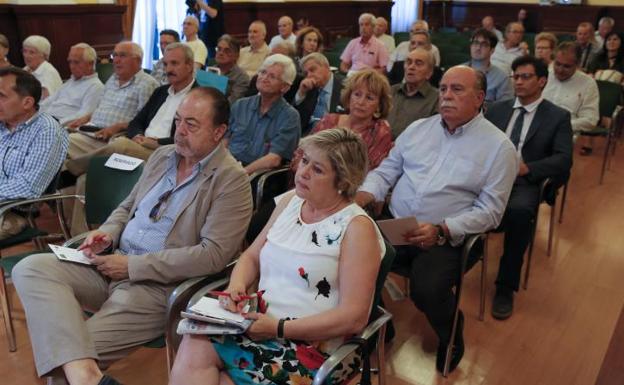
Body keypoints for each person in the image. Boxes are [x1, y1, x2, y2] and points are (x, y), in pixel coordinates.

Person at [13, 87, 253, 385]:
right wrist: (107, 233)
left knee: (66, 362)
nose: (179, 131)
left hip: (156, 287)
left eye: (191, 125)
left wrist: (131, 267)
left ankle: (81, 373)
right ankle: (86, 376)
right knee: (32, 268)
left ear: (219, 132)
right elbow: (128, 206)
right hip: (110, 264)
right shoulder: (164, 156)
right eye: (177, 120)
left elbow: (213, 255)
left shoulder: (232, 181)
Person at [168, 127, 385, 385]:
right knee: (195, 342)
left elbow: (354, 316)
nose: (302, 172)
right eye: (304, 160)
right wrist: (236, 287)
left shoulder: (357, 228)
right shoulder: (291, 201)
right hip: (257, 325)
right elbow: (250, 257)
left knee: (217, 376)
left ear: (343, 182)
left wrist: (278, 328)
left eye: (317, 169)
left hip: (311, 348)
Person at [355, 66, 518, 374]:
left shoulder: (499, 148)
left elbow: (491, 211)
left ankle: (452, 333)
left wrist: (443, 229)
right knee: (353, 258)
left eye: (457, 89)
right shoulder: (419, 129)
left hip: (448, 236)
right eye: (443, 89)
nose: (446, 96)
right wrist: (365, 196)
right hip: (398, 221)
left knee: (426, 288)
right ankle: (380, 324)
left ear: (480, 98)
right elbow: (387, 171)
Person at [485, 55, 573, 320]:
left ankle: (505, 285)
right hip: (489, 176)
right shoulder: (497, 109)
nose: (518, 82)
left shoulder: (557, 116)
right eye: (515, 76)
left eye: (525, 77)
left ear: (542, 81)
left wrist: (528, 168)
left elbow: (563, 158)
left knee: (520, 213)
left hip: (524, 181)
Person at [0, 67, 69, 240]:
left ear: (27, 103)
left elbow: (27, 187)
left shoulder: (47, 131)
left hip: (11, 211)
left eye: (1, 96)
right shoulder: (3, 122)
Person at [64, 41, 159, 160]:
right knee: (59, 142)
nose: (116, 60)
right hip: (91, 132)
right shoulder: (112, 79)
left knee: (64, 153)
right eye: (115, 55)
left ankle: (73, 168)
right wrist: (85, 119)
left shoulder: (147, 84)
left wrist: (118, 127)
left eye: (122, 55)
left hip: (114, 137)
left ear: (138, 60)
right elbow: (101, 108)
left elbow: (144, 121)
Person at [227, 54, 301, 175]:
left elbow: (274, 159)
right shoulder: (240, 105)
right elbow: (224, 141)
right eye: (263, 72)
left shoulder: (290, 117)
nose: (264, 78)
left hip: (256, 175)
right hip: (228, 167)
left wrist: (242, 174)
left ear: (285, 87)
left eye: (272, 76)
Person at [306, 69, 393, 169]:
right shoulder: (328, 121)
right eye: (357, 94)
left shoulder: (380, 132)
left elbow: (364, 172)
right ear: (349, 96)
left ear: (379, 105)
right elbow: (303, 152)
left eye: (369, 98)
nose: (361, 102)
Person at [543, 42, 599, 156]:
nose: (560, 69)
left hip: (564, 133)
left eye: (566, 66)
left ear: (578, 64)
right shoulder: (544, 75)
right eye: (557, 64)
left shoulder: (588, 84)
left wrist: (562, 125)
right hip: (535, 127)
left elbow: (591, 120)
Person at [40, 43, 104, 126]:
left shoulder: (96, 87)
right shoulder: (70, 82)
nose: (72, 66)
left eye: (76, 62)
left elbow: (83, 115)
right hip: (45, 120)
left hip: (60, 125)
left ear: (90, 64)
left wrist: (55, 124)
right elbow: (48, 102)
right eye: (70, 62)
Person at [388, 47, 438, 139]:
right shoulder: (390, 91)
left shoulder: (436, 99)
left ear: (429, 72)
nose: (411, 67)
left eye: (418, 64)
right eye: (409, 62)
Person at [293, 52, 344, 135]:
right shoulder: (307, 87)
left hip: (334, 136)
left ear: (326, 67)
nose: (309, 75)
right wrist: (301, 93)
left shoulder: (344, 86)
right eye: (306, 73)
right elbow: (295, 120)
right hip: (307, 136)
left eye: (312, 70)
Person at [466, 28, 513, 104]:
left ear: (492, 50)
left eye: (484, 44)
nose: (478, 48)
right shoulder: (457, 71)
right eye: (475, 43)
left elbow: (505, 108)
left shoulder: (502, 78)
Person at [22, 35, 62, 99]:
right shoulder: (25, 69)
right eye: (25, 51)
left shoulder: (49, 72)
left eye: (31, 52)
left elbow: (48, 102)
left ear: (44, 55)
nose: (26, 56)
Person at [214, 34, 250, 104]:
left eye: (227, 51)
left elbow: (232, 103)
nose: (221, 53)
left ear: (236, 55)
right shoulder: (210, 70)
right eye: (219, 49)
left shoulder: (241, 77)